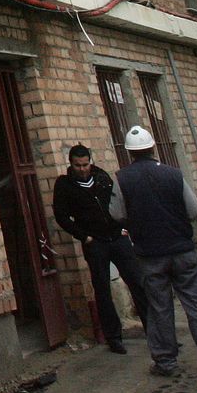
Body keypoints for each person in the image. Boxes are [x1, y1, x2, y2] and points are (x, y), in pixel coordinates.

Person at [108, 125, 197, 380]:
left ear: (129, 153)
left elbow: (116, 213)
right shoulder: (174, 174)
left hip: (150, 254)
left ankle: (165, 361)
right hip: (182, 250)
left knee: (159, 308)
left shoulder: (122, 179)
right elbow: (193, 209)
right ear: (153, 148)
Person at [51, 143, 148, 354]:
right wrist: (83, 236)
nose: (83, 169)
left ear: (90, 161)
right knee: (102, 290)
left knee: (138, 282)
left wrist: (124, 227)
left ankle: (155, 330)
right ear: (71, 164)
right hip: (95, 243)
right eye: (78, 165)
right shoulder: (65, 185)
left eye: (85, 164)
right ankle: (114, 337)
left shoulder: (101, 177)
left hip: (117, 237)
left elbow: (119, 201)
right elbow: (61, 216)